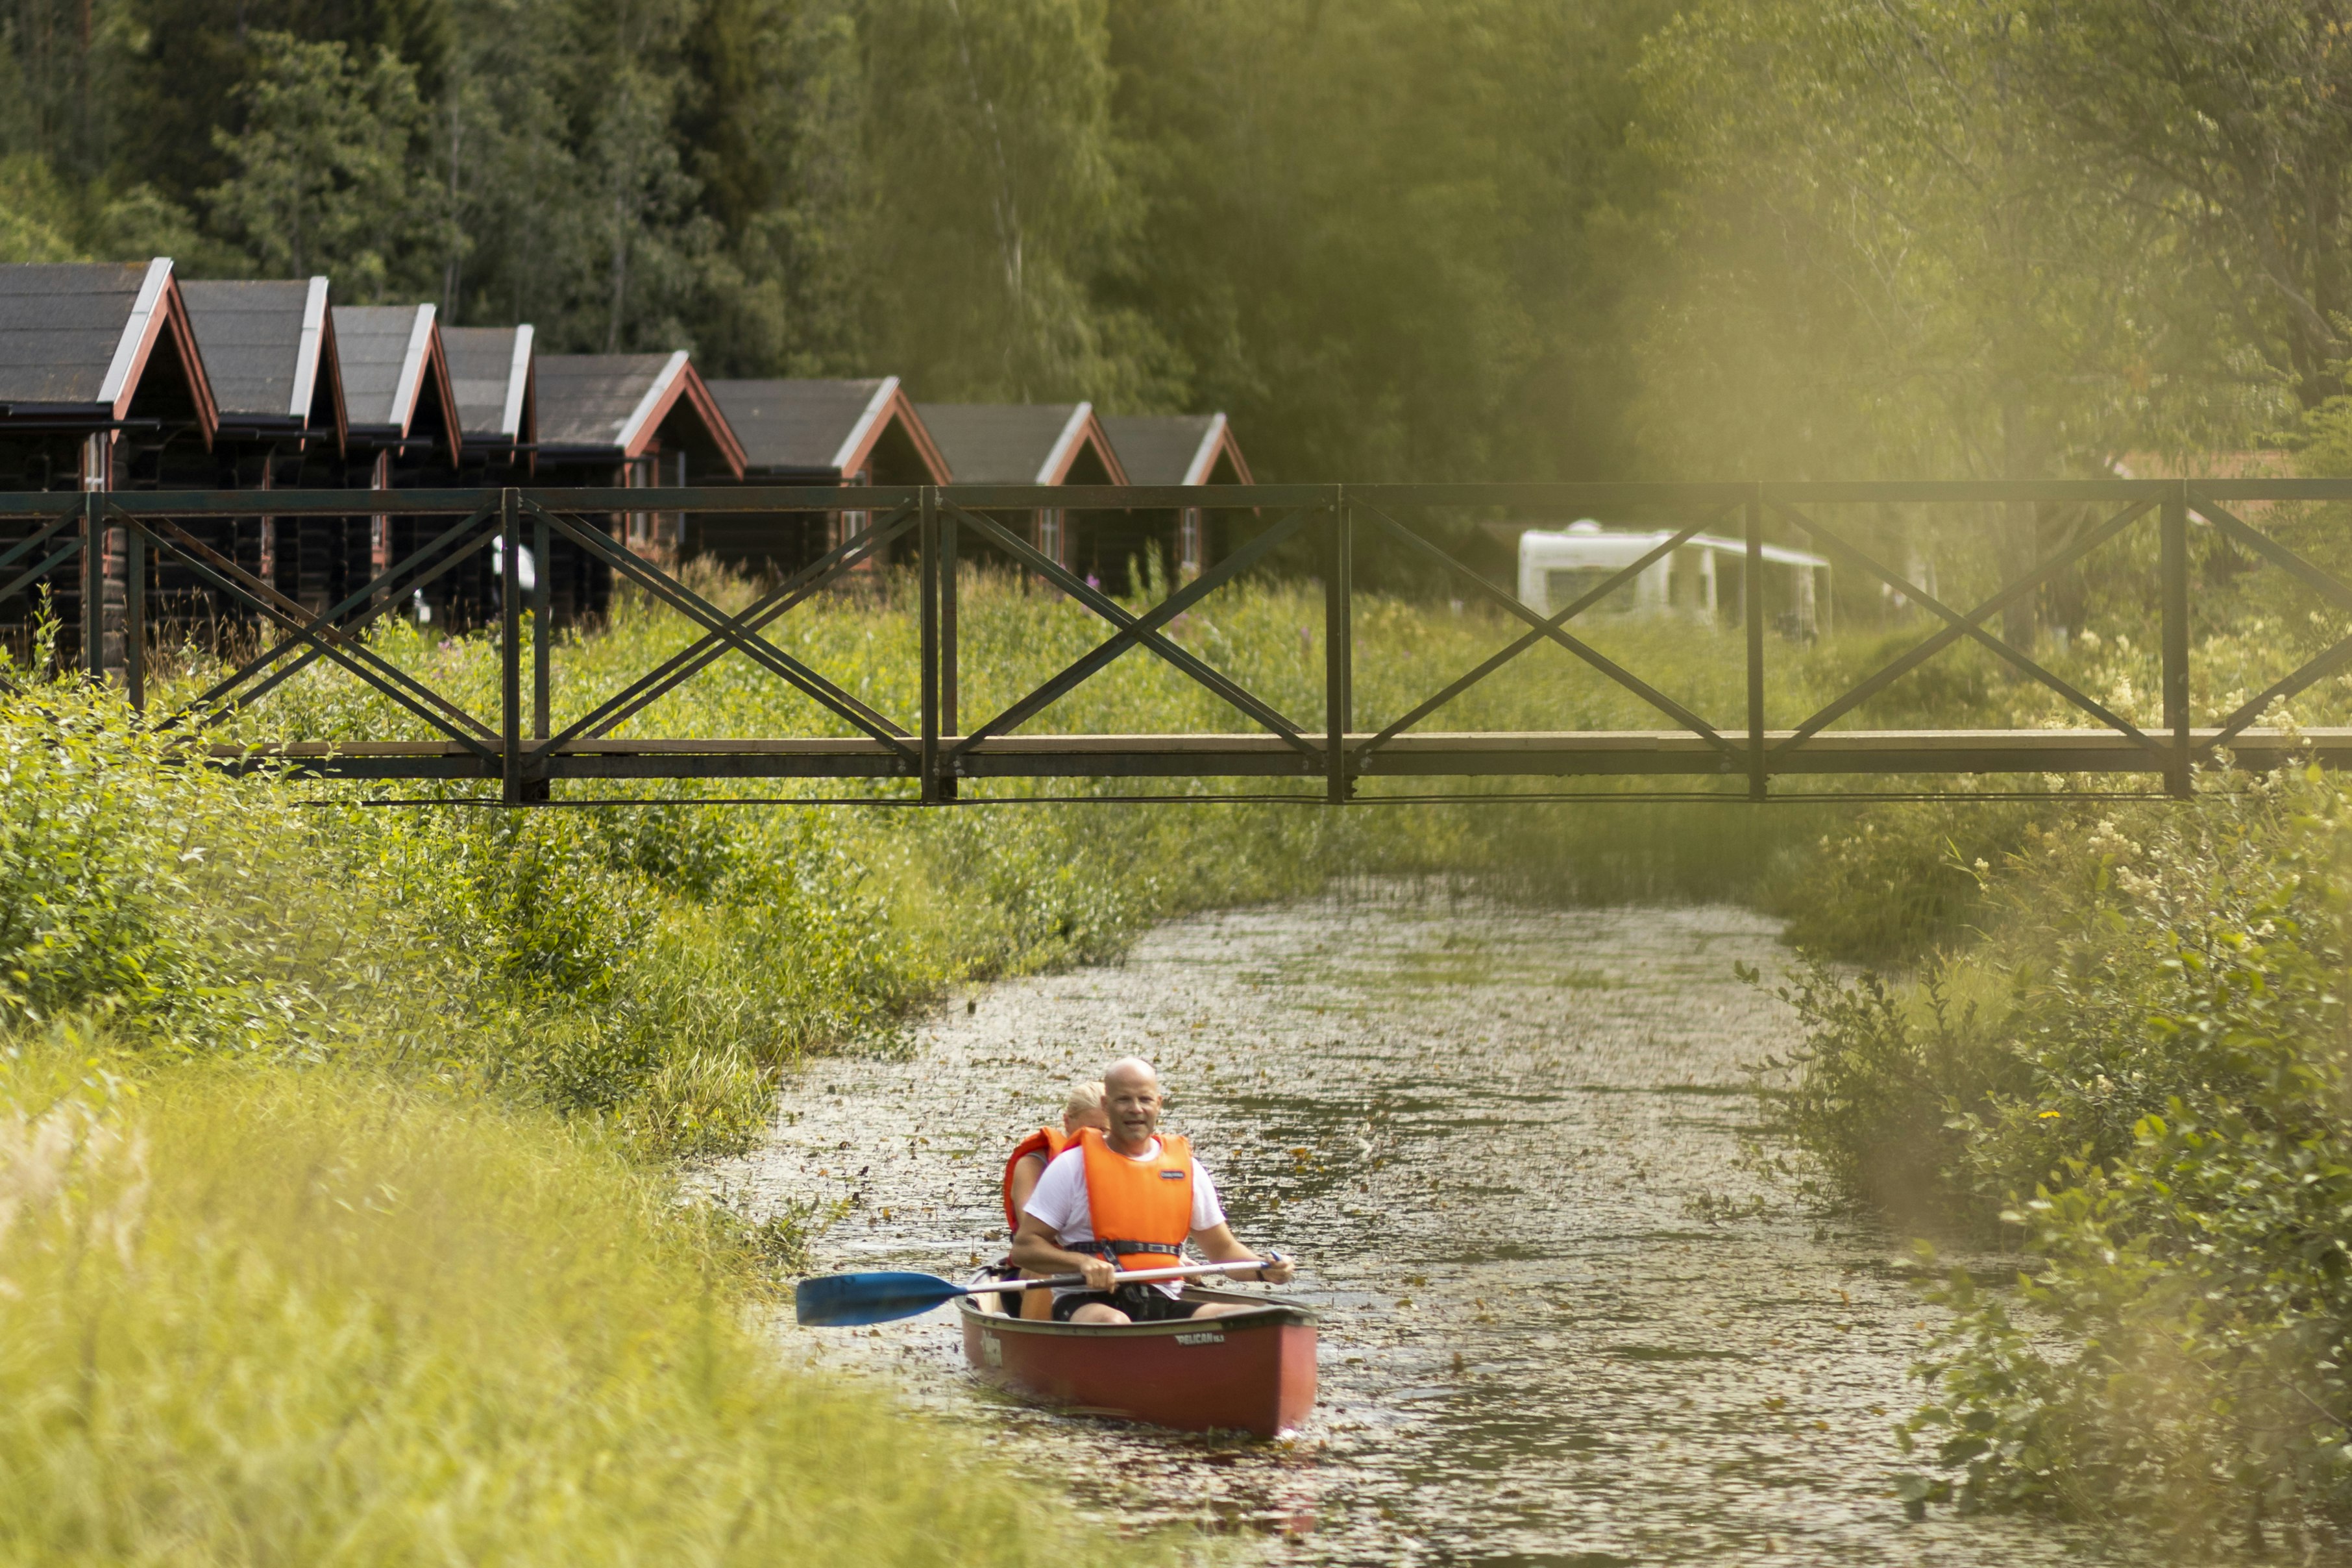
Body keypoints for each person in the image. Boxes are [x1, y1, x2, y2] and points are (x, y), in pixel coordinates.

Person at [1010, 1056, 1295, 1323]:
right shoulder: (1071, 1167)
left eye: (1144, 1099)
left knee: (1251, 1317)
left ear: (1158, 1104)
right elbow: (1026, 1248)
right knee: (1114, 1321)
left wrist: (1264, 1269)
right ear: (1107, 1105)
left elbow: (1224, 1250)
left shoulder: (1189, 1169)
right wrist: (1082, 1262)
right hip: (1085, 1301)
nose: (1136, 1109)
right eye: (1124, 1100)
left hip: (1162, 1300)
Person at [998, 1081, 1110, 1319]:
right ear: (1068, 1122)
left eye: (1107, 1131)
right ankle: (1036, 1348)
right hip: (1037, 1268)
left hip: (1106, 1266)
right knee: (1049, 1275)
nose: (1100, 1139)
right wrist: (1081, 1261)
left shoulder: (1124, 1163)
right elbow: (1032, 1237)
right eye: (1092, 1131)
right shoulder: (1034, 1164)